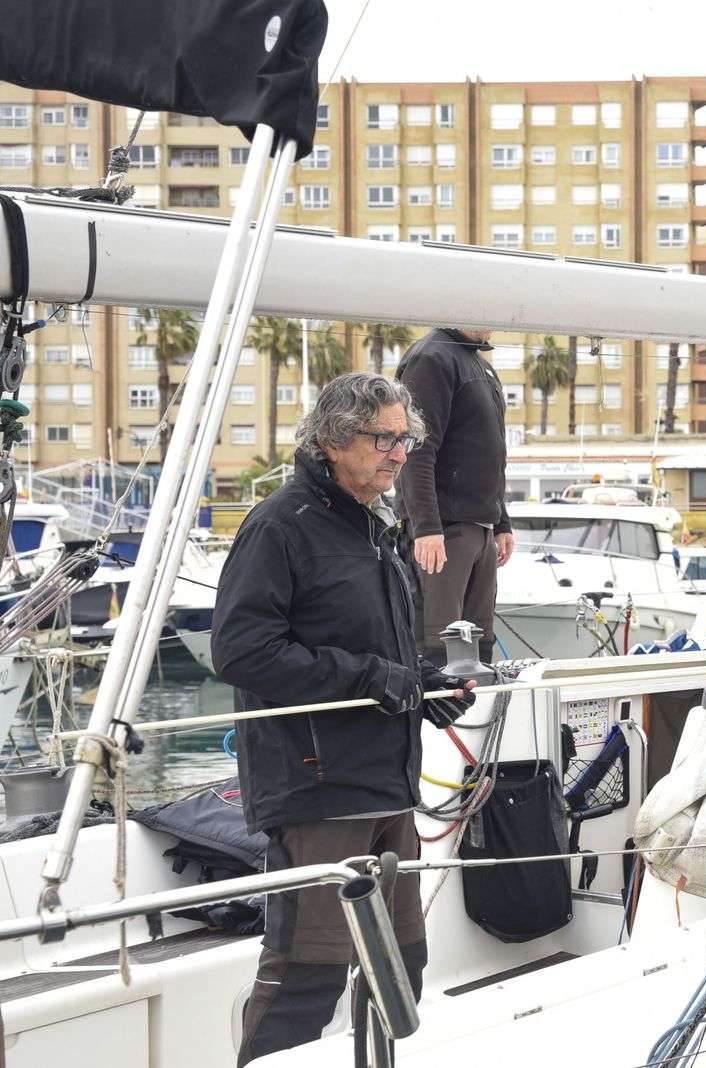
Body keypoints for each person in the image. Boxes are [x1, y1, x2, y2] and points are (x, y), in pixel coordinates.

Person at [213, 372, 477, 1066]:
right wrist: (373, 679)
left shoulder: (376, 524)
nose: (398, 454)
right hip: (317, 786)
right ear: (332, 440)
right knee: (310, 972)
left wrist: (425, 686)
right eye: (382, 439)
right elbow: (241, 650)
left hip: (386, 781)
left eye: (404, 439)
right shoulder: (281, 525)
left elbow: (380, 651)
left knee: (402, 967)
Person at [395, 326, 516, 665]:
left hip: (480, 528)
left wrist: (502, 523)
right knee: (439, 649)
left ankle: (483, 717)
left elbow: (492, 454)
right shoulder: (431, 358)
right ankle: (434, 718)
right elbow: (415, 449)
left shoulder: (479, 363)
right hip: (443, 530)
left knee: (480, 646)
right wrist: (426, 528)